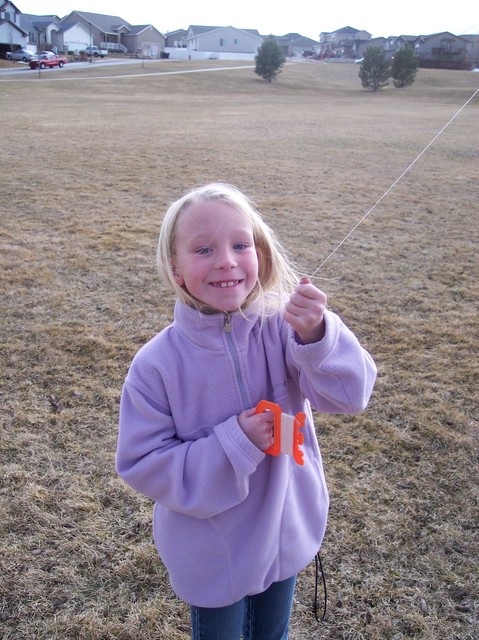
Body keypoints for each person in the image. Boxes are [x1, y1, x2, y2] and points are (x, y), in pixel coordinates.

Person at [116, 183, 377, 639]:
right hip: (211, 550)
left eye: (241, 244)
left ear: (261, 252)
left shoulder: (285, 331)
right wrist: (233, 442)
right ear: (174, 268)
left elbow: (350, 395)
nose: (227, 260)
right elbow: (143, 464)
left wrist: (318, 337)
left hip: (285, 529)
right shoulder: (156, 365)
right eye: (203, 249)